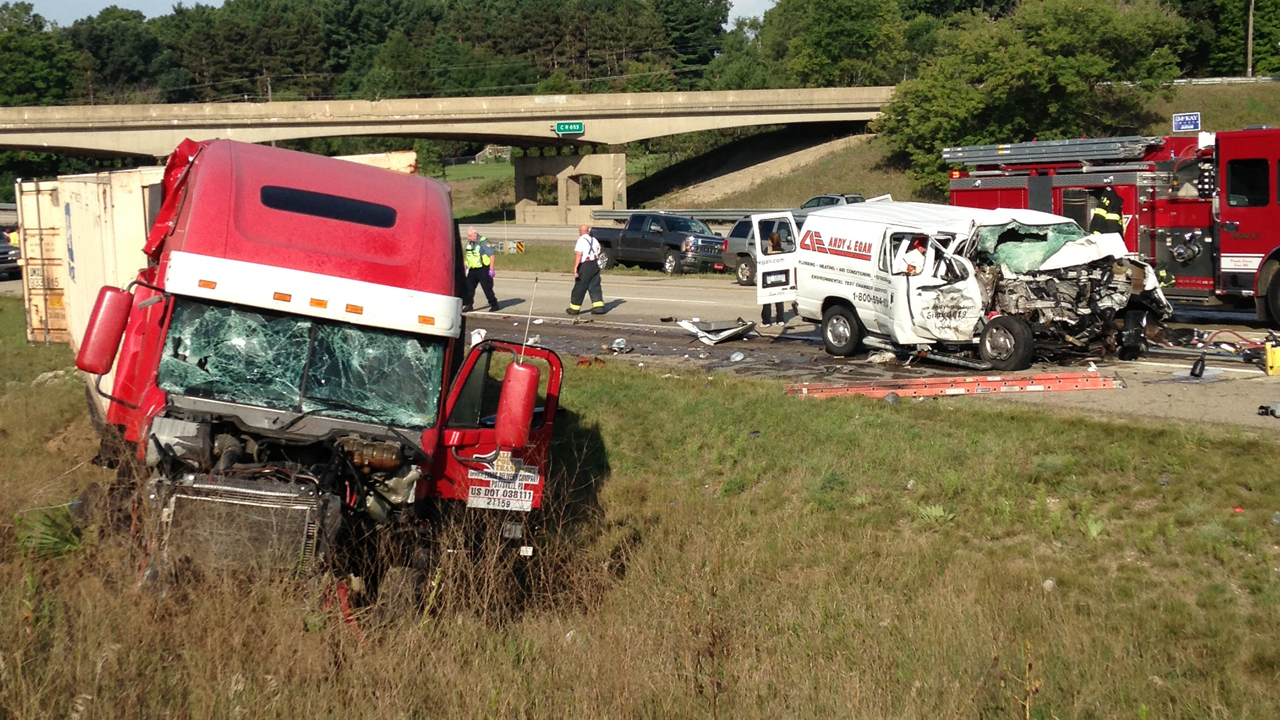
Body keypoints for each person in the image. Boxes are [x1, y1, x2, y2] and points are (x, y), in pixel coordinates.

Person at [567, 224, 605, 315]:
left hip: (585, 265)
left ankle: (574, 308)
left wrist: (575, 268)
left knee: (580, 287)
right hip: (594, 265)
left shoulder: (581, 240)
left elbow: (579, 255)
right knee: (595, 286)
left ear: (580, 231)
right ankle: (598, 307)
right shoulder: (594, 240)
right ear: (588, 231)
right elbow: (599, 251)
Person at [461, 226, 498, 313]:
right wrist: (464, 266)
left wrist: (491, 269)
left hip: (483, 269)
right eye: (468, 236)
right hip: (473, 270)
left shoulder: (483, 242)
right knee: (469, 288)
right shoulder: (470, 243)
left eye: (470, 236)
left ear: (475, 234)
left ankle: (494, 304)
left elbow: (491, 255)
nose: (468, 237)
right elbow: (468, 256)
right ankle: (469, 305)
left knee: (487, 288)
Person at [760, 231, 786, 327]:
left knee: (767, 300)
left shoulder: (767, 250)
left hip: (769, 278)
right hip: (780, 278)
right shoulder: (782, 251)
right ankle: (780, 319)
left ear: (771, 241)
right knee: (779, 299)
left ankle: (766, 321)